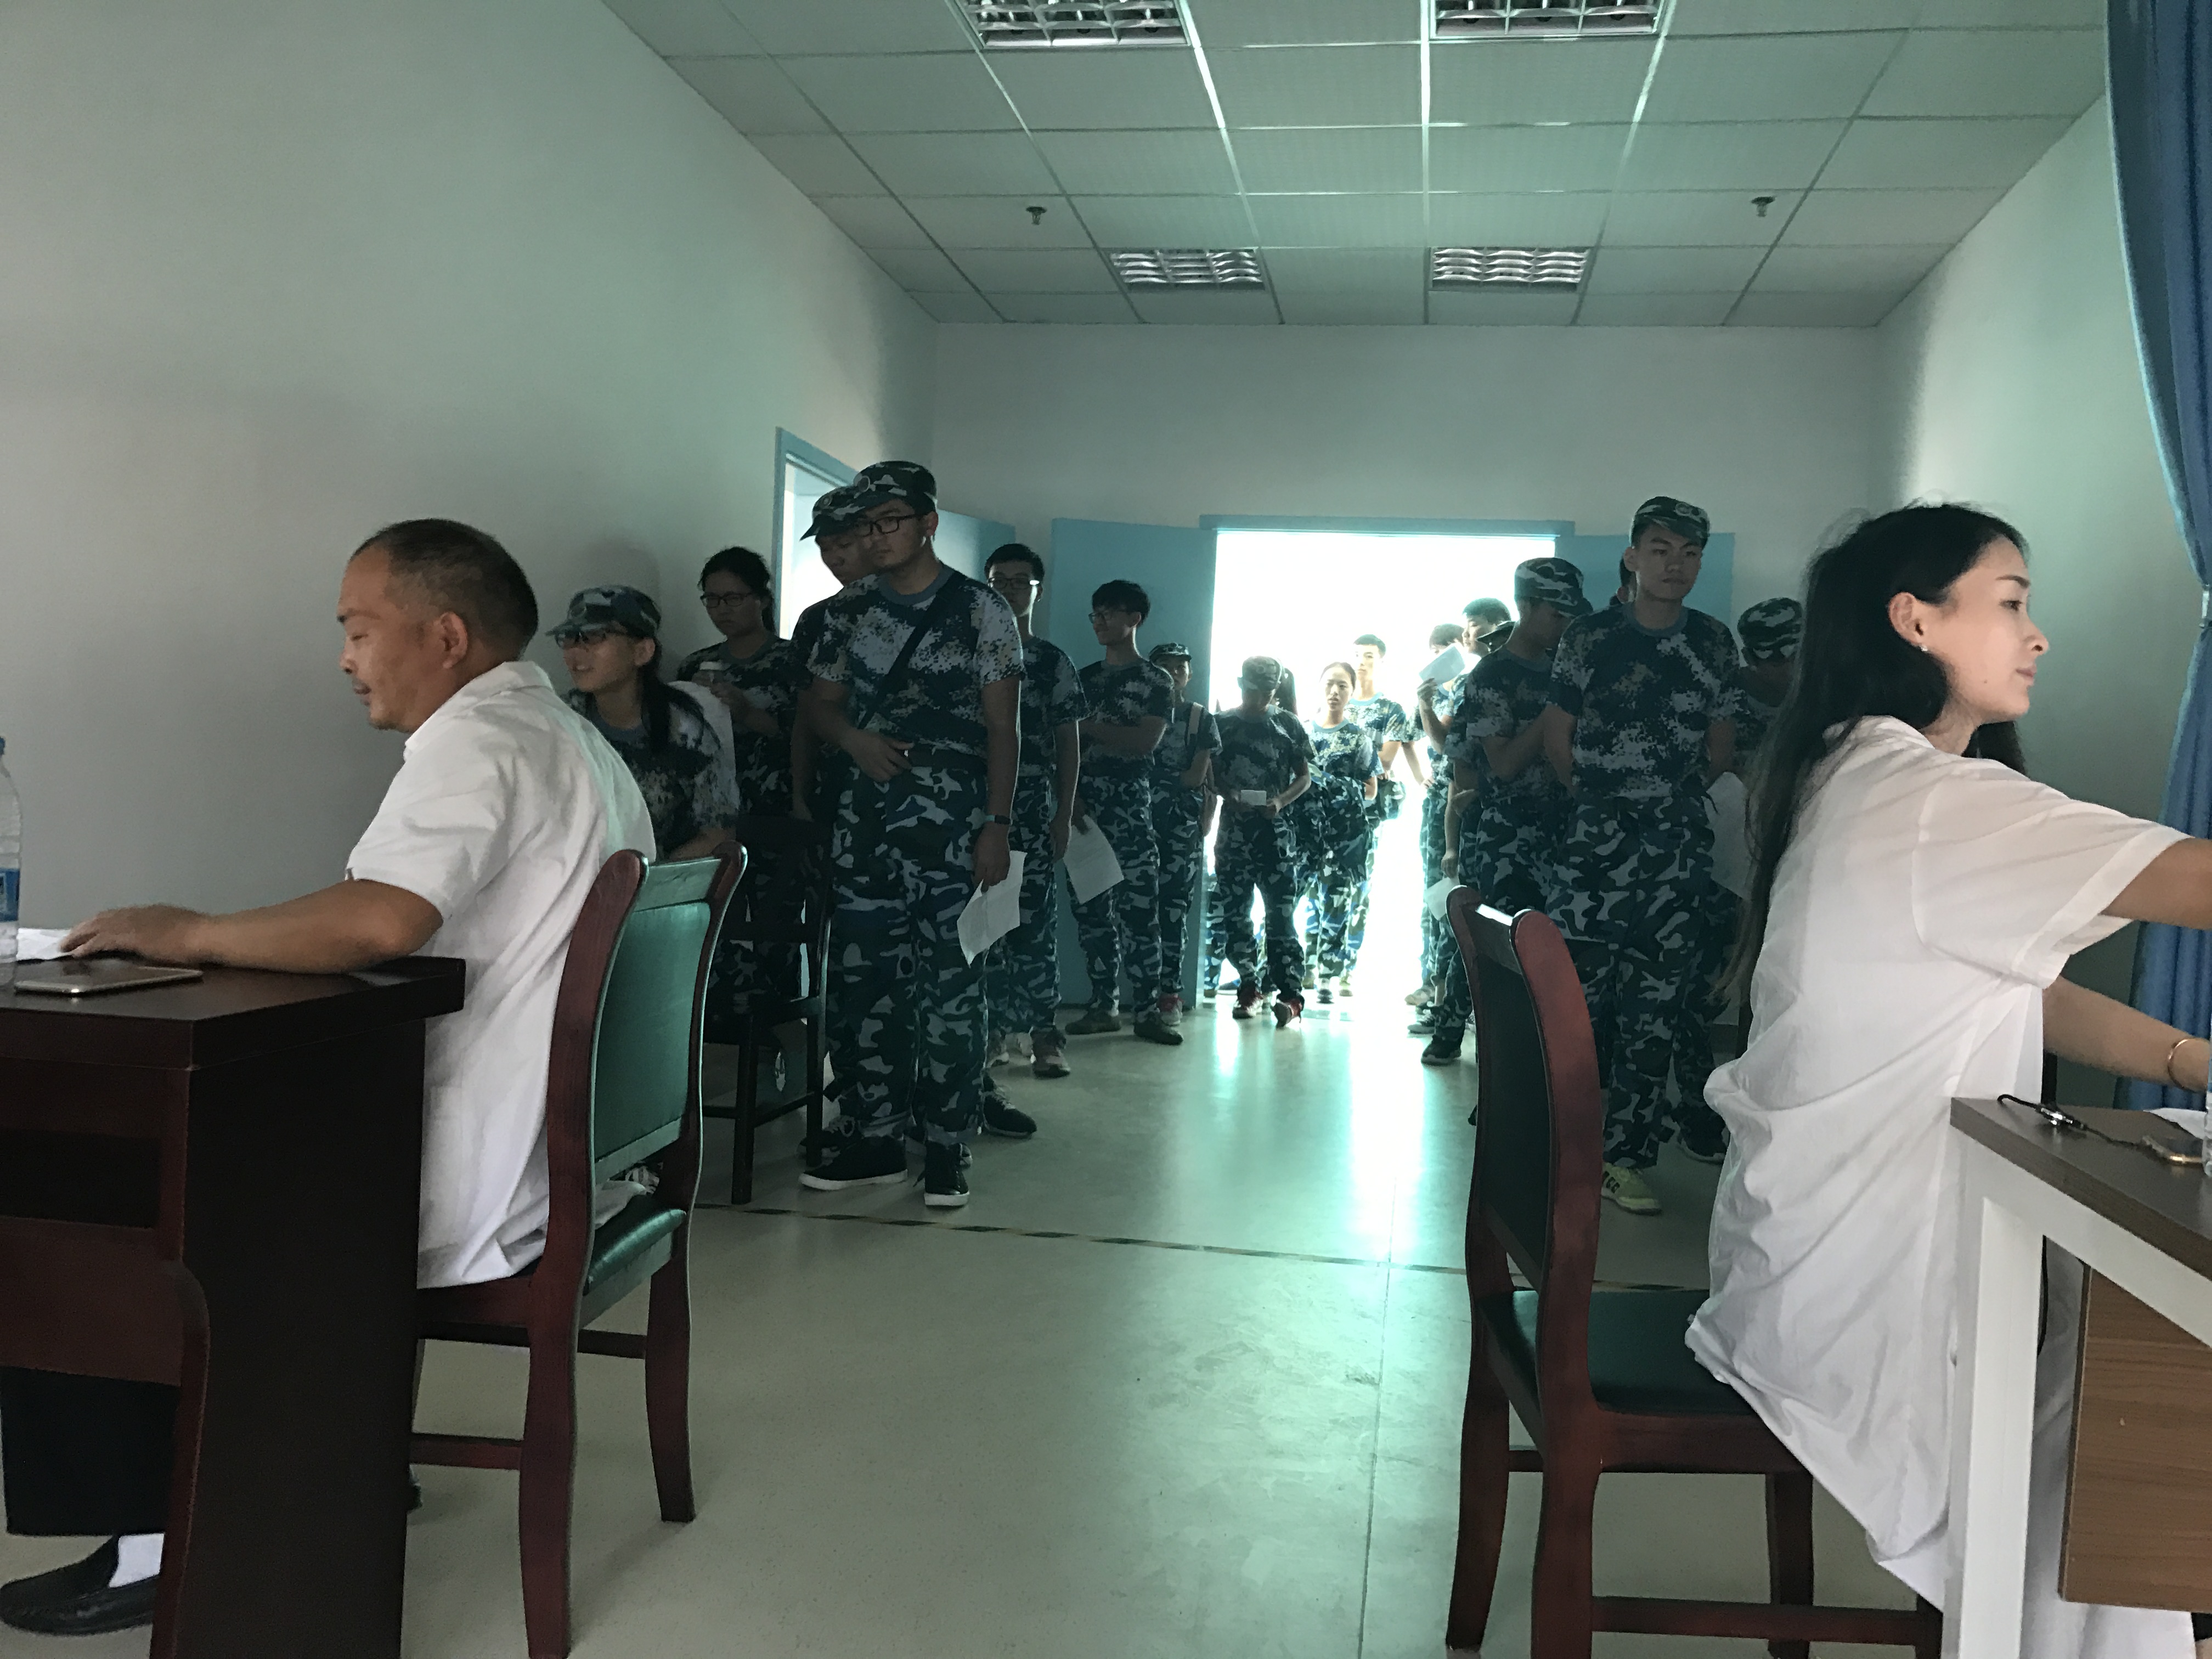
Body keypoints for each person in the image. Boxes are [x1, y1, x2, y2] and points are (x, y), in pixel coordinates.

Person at [0, 520, 653, 1638]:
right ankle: (338, 1459)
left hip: (462, 1172)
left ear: (444, 636)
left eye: (358, 629)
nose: (345, 657)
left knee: (81, 1186)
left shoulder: (479, 739)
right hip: (552, 1158)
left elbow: (382, 917)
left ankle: (156, 1533)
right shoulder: (568, 736)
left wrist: (187, 929)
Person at [1686, 504, 2212, 1659]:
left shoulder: (1858, 772)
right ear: (1914, 620)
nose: (2037, 634)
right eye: (2011, 601)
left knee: (2124, 1360)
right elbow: (2198, 882)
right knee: (2131, 1382)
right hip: (1857, 1296)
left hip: (1804, 1257)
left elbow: (2018, 990)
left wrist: (2188, 1059)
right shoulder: (1932, 803)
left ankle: (2093, 1615)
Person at [797, 462, 1021, 1211]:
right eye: (865, 525)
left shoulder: (981, 609)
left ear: (927, 523)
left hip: (955, 823)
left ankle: (948, 1143)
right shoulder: (847, 611)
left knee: (951, 985)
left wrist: (997, 826)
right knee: (863, 982)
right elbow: (821, 705)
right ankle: (876, 1135)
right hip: (865, 821)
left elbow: (1004, 728)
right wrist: (853, 740)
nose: (875, 536)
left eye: (889, 520)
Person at [1538, 496, 1736, 1216]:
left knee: (1654, 1015)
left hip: (1674, 857)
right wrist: (1602, 803)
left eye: (1689, 553)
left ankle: (1625, 1159)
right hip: (1592, 855)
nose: (1675, 565)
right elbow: (1558, 735)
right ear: (1632, 557)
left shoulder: (1712, 642)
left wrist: (1664, 802)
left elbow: (1721, 743)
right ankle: (1563, 1148)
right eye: (1660, 549)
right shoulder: (1591, 638)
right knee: (1575, 1011)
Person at [1423, 558, 1589, 1066]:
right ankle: (1473, 1047)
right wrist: (1556, 710)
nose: (1565, 626)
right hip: (1506, 836)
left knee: (1551, 954)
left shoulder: (1568, 668)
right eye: (1556, 614)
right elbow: (1504, 763)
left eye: (1572, 616)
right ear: (1526, 606)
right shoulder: (1492, 676)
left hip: (1563, 832)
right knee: (1494, 953)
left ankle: (1534, 1065)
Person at [980, 541, 1087, 1091]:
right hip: (978, 808)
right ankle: (992, 1031)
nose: (1009, 589)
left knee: (1034, 923)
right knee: (985, 920)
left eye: (1020, 581)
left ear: (1037, 591)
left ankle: (1044, 1035)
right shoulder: (967, 652)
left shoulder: (1050, 660)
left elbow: (1070, 742)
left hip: (1033, 805)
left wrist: (1063, 812)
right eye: (998, 580)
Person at [1066, 580, 1178, 1046]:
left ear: (1134, 619)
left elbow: (1144, 741)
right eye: (1095, 614)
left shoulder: (1156, 681)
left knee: (1140, 913)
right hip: (1083, 807)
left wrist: (1092, 728)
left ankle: (1148, 1012)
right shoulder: (1082, 679)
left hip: (1130, 807)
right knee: (1092, 910)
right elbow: (1063, 745)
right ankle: (1103, 1007)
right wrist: (1069, 796)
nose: (1099, 622)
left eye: (1109, 613)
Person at [555, 585, 736, 860]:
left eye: (595, 636)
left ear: (642, 652)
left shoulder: (684, 732)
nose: (576, 651)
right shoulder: (561, 719)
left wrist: (648, 878)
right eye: (570, 638)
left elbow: (718, 835)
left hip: (658, 879)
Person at [1210, 656, 1314, 1029]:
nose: (1260, 700)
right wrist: (1229, 793)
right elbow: (1210, 774)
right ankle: (1249, 986)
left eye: (1268, 693)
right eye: (1254, 691)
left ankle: (1290, 995)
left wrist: (1280, 801)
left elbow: (1305, 777)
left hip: (1275, 835)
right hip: (1234, 834)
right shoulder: (1222, 724)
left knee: (1281, 917)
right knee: (1236, 915)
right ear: (1242, 684)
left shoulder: (1288, 724)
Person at [676, 546, 809, 818]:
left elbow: (811, 736)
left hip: (779, 805)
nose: (722, 609)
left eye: (733, 598)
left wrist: (747, 712)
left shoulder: (795, 659)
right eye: (712, 600)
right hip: (713, 807)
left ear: (762, 600)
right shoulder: (695, 665)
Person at [1297, 662, 1380, 1003]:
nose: (1335, 692)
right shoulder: (1301, 731)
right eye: (1330, 684)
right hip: (1304, 832)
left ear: (1352, 692)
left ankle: (1328, 976)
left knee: (1336, 903)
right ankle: (1299, 969)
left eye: (1343, 686)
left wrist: (1334, 787)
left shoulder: (1358, 737)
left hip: (1343, 836)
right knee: (1301, 902)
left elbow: (1371, 789)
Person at [1146, 641, 1217, 1026]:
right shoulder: (1136, 712)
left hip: (1180, 832)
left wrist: (1152, 777)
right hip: (1136, 827)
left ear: (1190, 674)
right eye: (1165, 666)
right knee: (1135, 911)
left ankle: (1169, 994)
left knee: (1173, 912)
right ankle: (1138, 996)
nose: (1173, 674)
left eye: (1180, 667)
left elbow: (1194, 777)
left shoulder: (1200, 719)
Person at [1344, 635, 1421, 990]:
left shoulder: (1390, 709)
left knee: (1359, 885)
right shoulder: (1337, 702)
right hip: (1329, 808)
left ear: (1381, 661)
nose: (1361, 662)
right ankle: (1314, 964)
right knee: (1318, 885)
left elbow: (1384, 761)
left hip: (1368, 810)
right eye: (1357, 655)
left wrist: (1343, 759)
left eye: (1369, 656)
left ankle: (1346, 966)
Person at [1411, 619, 1474, 1023]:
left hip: (1464, 805)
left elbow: (1443, 743)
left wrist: (1425, 705)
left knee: (1453, 900)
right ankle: (1435, 987)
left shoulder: (1469, 686)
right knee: (1437, 897)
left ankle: (1447, 999)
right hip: (1442, 803)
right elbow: (1417, 742)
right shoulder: (1447, 691)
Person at [1730, 595, 1803, 773]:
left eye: (1798, 656)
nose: (1790, 668)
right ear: (1749, 658)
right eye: (1776, 660)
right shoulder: (1723, 702)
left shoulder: (1825, 694)